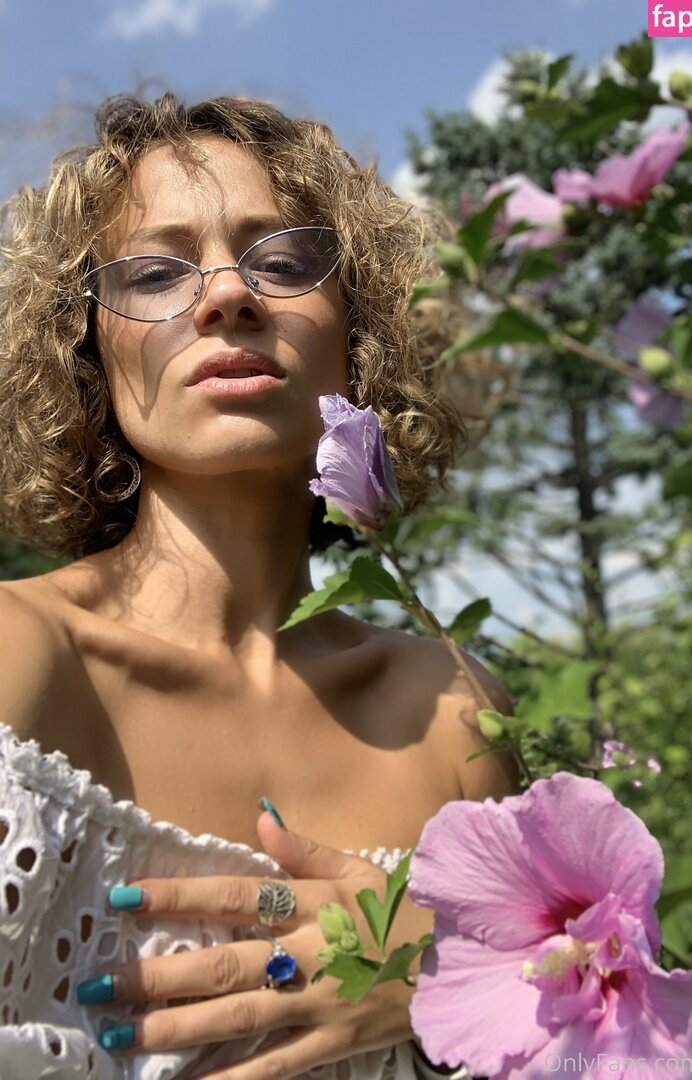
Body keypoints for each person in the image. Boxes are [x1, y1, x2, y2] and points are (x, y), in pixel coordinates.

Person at [0, 93, 519, 1079]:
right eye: (155, 272)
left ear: (359, 332)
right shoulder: (16, 654)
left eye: (282, 262)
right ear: (86, 349)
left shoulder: (452, 713)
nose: (227, 297)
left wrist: (447, 975)